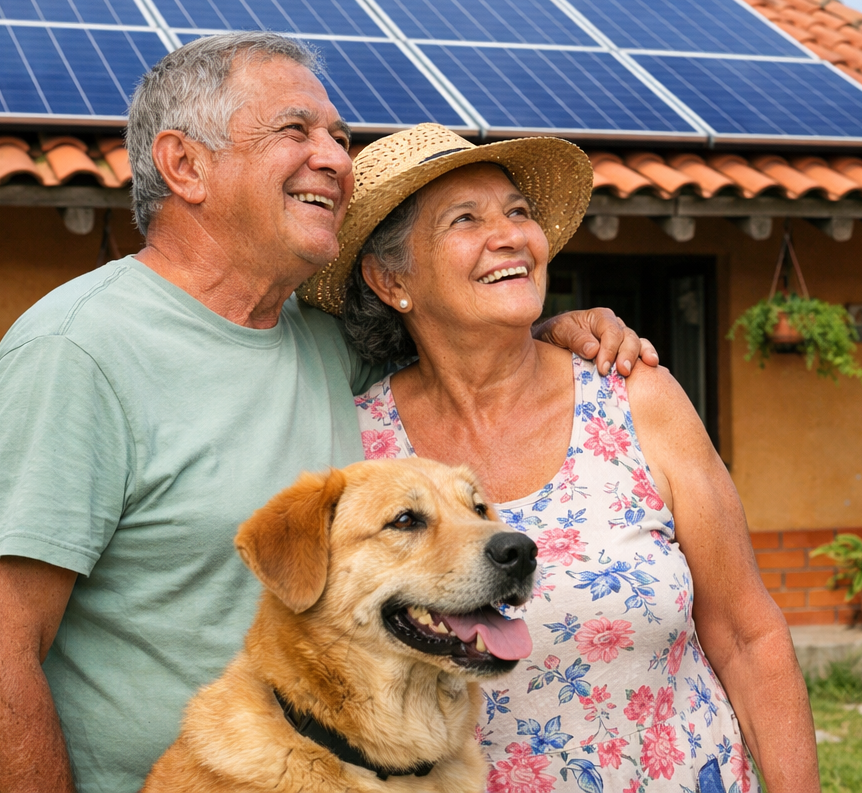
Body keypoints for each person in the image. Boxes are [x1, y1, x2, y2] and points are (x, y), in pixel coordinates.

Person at [0, 33, 656, 793]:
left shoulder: (325, 344)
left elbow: (456, 349)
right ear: (185, 166)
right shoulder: (77, 353)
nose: (339, 160)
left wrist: (551, 334)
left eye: (340, 139)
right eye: (296, 131)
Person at [299, 123, 820, 792]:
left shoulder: (636, 397)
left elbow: (750, 637)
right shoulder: (361, 450)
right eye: (467, 219)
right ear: (391, 276)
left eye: (519, 212)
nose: (512, 234)